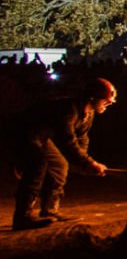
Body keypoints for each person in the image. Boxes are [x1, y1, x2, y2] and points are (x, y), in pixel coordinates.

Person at [10, 77, 115, 230]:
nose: (109, 104)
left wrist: (84, 164)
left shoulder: (88, 113)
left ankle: (49, 211)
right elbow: (67, 141)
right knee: (38, 163)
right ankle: (22, 216)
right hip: (21, 132)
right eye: (106, 101)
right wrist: (89, 163)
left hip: (40, 136)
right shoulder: (69, 109)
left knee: (60, 164)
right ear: (92, 98)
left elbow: (81, 138)